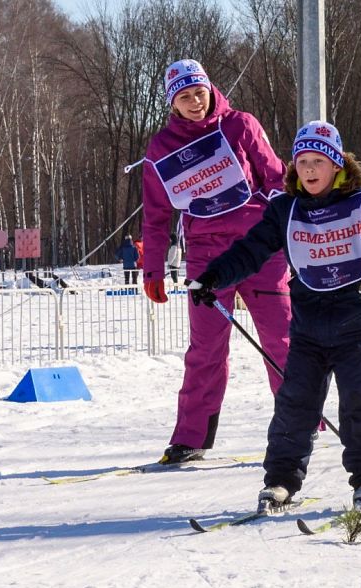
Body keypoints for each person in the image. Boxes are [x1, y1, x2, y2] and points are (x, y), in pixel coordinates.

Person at [191, 121, 361, 510]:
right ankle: (281, 481)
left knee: (356, 403)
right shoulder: (286, 210)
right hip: (309, 327)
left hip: (356, 321)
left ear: (337, 165)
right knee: (294, 405)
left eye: (318, 161)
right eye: (302, 162)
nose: (310, 170)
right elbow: (250, 251)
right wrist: (213, 276)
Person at [141, 58, 292, 464]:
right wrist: (152, 268)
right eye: (184, 97)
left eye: (199, 93)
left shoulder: (241, 125)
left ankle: (300, 422)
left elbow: (277, 178)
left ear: (210, 90)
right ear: (173, 103)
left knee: (281, 341)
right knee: (205, 349)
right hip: (207, 257)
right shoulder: (161, 148)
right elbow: (156, 215)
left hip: (260, 249)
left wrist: (288, 228)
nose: (194, 102)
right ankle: (191, 438)